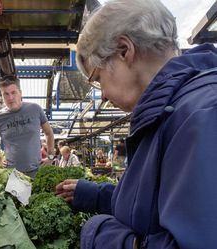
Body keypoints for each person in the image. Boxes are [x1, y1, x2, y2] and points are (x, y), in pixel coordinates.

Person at [55, 0, 217, 248]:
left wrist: (100, 235)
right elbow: (153, 206)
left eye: (98, 79)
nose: (105, 95)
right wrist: (97, 196)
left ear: (123, 50)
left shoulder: (202, 115)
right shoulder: (173, 113)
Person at [0, 75, 55, 178]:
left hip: (37, 170)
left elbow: (49, 133)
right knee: (16, 195)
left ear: (20, 93)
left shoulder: (35, 109)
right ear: (2, 96)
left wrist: (50, 157)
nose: (10, 98)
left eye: (13, 92)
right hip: (12, 174)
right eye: (6, 94)